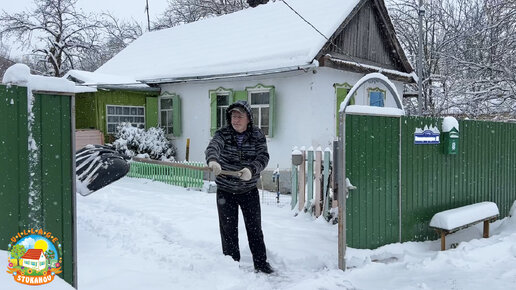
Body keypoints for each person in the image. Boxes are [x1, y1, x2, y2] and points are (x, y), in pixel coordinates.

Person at [205, 100, 274, 274]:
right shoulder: (223, 134)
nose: (235, 120)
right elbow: (213, 147)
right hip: (225, 191)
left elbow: (263, 157)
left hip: (248, 190)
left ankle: (261, 263)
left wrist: (251, 170)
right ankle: (231, 266)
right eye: (233, 116)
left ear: (249, 118)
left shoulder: (257, 135)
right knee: (228, 229)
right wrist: (213, 161)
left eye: (239, 116)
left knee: (254, 228)